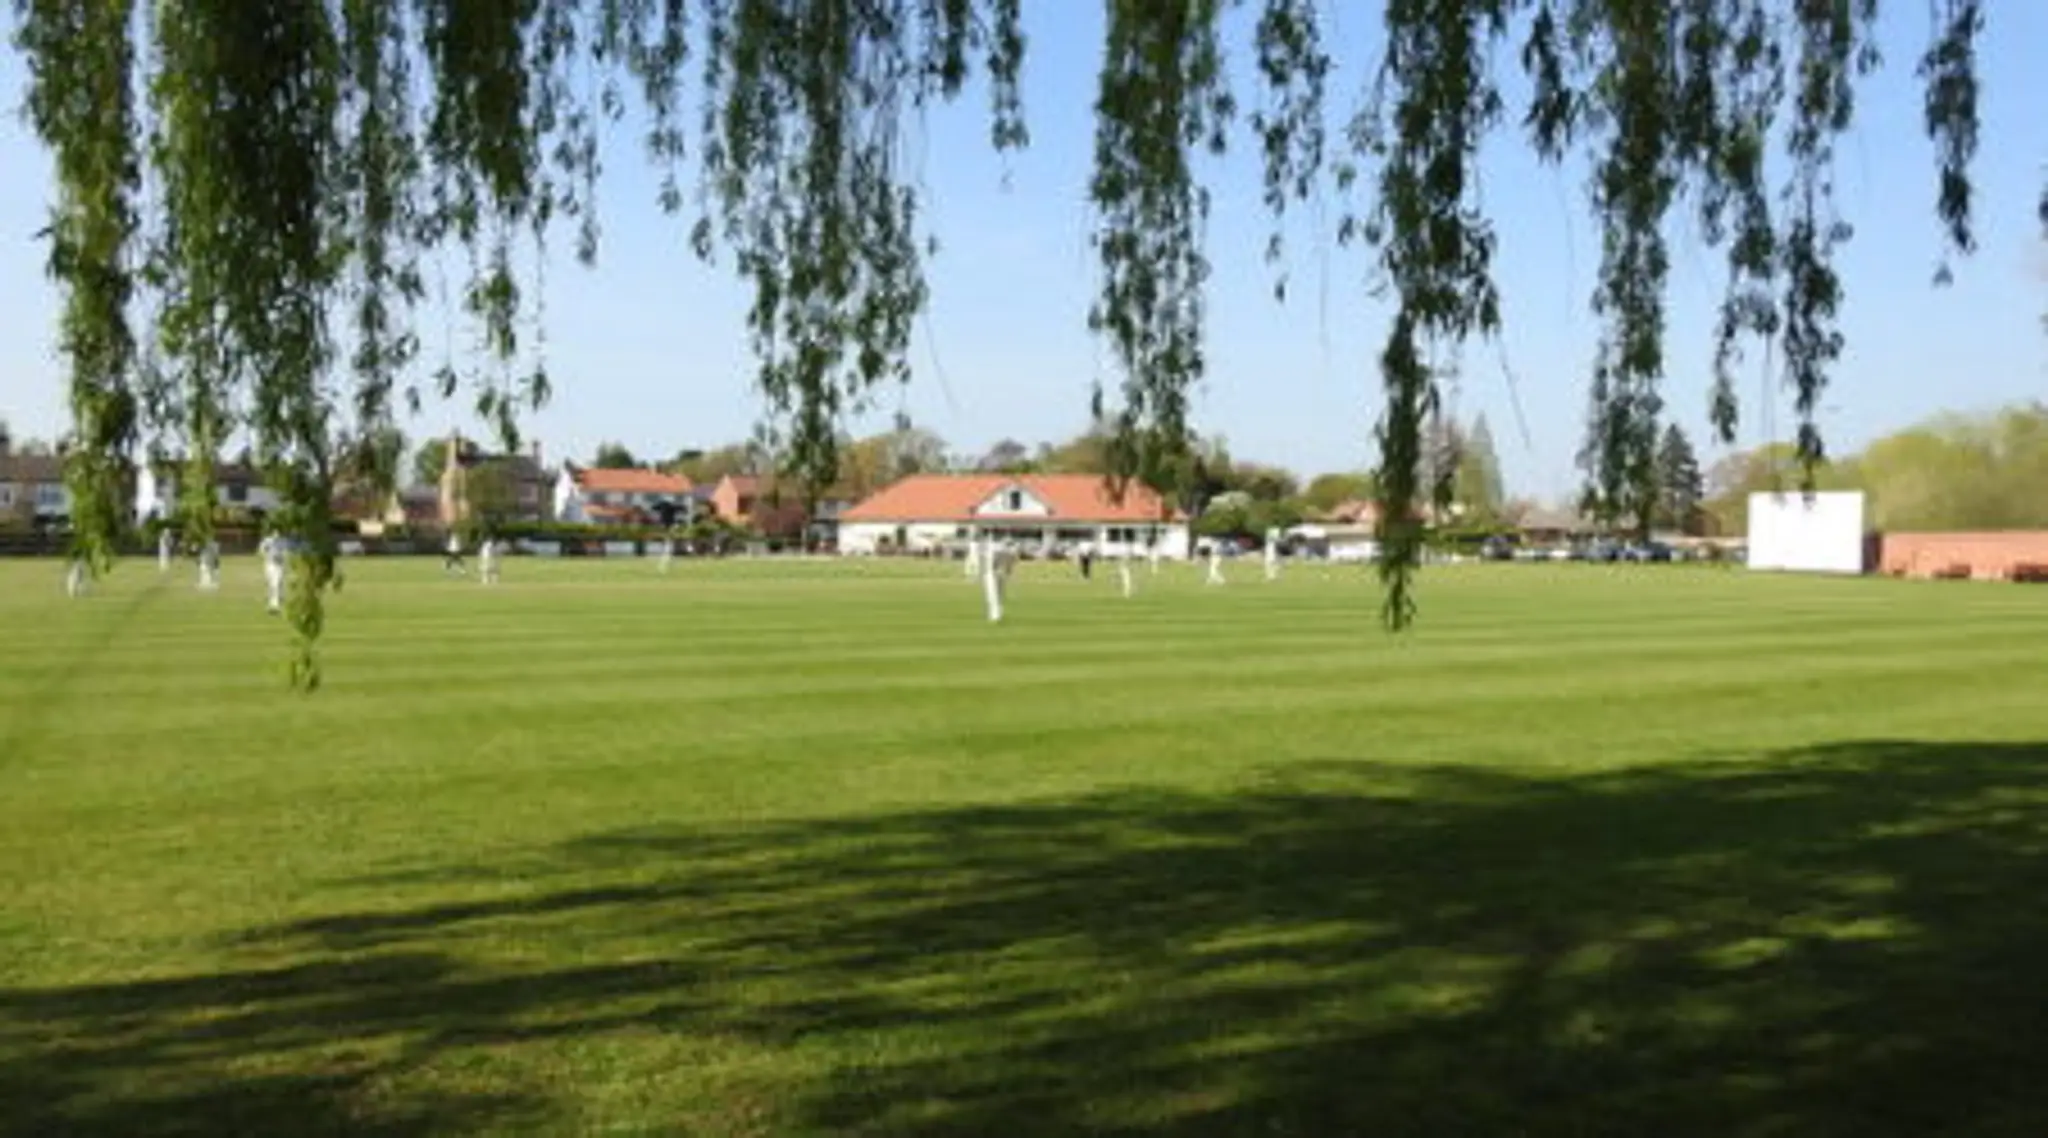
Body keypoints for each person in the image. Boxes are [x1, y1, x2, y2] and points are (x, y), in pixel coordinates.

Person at [983, 539, 1018, 623]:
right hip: (992, 574)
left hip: (998, 574)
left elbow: (1010, 567)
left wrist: (1007, 574)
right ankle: (995, 614)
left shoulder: (1011, 555)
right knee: (994, 594)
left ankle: (996, 614)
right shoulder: (999, 553)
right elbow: (992, 564)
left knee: (997, 595)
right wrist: (997, 571)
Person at [259, 530, 287, 614]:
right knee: (270, 584)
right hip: (269, 564)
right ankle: (272, 603)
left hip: (278, 565)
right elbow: (261, 550)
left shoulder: (282, 542)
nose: (276, 534)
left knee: (276, 583)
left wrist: (281, 557)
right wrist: (267, 556)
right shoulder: (268, 541)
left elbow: (285, 553)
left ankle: (275, 605)